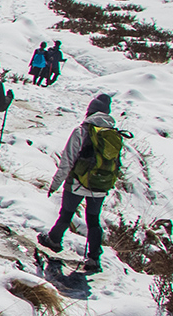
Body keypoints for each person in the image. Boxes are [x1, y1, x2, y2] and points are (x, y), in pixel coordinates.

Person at [39, 93, 124, 272]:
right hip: (100, 185)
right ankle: (93, 259)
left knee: (67, 213)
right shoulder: (113, 135)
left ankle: (54, 240)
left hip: (78, 183)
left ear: (90, 111)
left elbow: (67, 161)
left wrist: (55, 185)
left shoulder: (82, 131)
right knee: (93, 220)